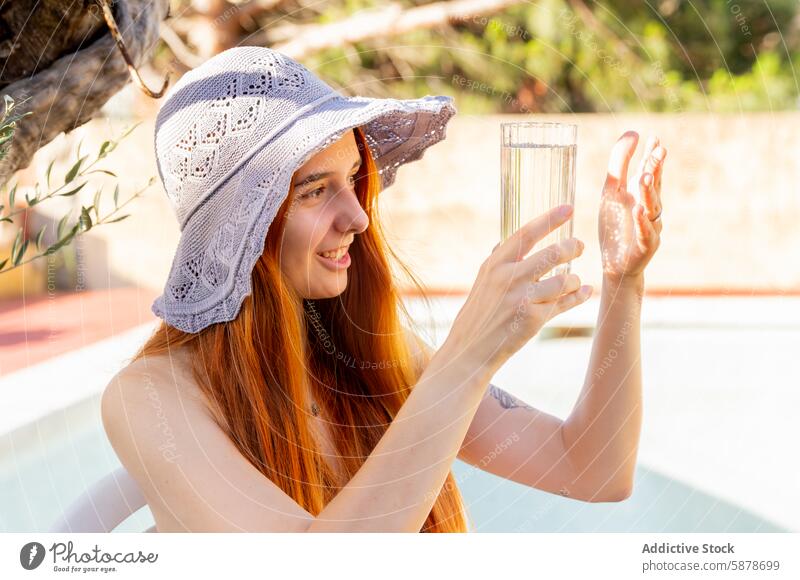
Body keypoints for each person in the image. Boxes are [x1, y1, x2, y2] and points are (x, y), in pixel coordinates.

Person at [101, 46, 667, 533]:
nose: (358, 217)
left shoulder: (370, 357)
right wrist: (466, 359)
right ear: (239, 229)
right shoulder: (149, 398)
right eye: (314, 191)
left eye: (352, 180)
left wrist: (624, 280)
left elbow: (593, 469)